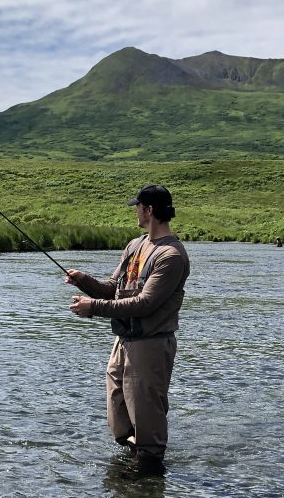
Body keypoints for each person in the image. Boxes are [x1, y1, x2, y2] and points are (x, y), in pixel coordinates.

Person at [66, 184, 191, 474]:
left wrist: (93, 307)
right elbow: (114, 288)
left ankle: (148, 470)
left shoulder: (171, 256)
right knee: (119, 405)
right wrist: (84, 280)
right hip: (124, 339)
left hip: (151, 343)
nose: (135, 211)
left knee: (146, 411)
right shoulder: (135, 245)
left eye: (138, 206)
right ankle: (136, 460)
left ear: (149, 210)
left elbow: (145, 303)